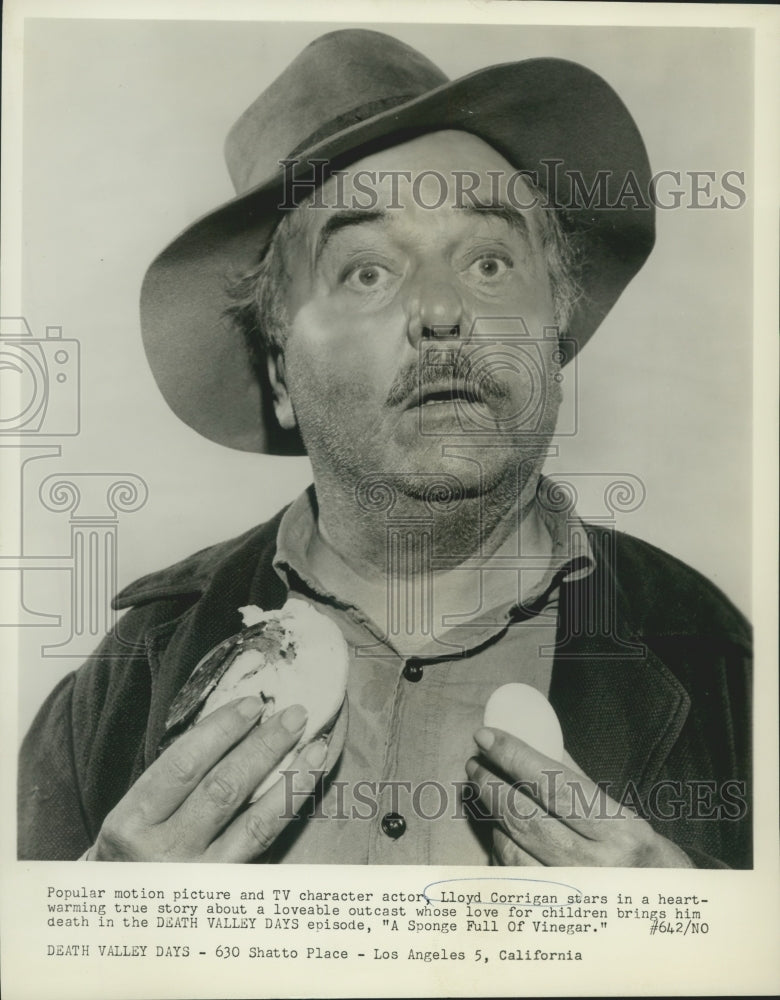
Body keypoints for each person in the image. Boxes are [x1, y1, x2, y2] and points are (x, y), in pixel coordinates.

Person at [18, 29, 751, 867]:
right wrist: (89, 934)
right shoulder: (122, 686)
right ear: (279, 372)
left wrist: (699, 932)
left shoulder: (729, 669)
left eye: (486, 261)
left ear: (554, 328)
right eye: (366, 271)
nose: (442, 311)